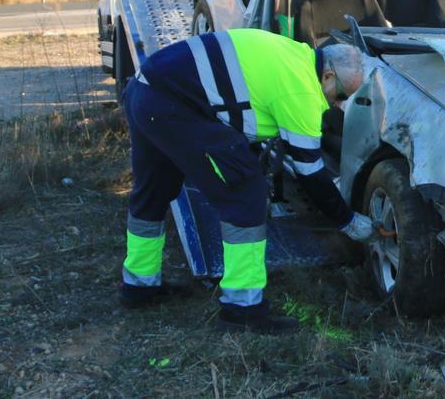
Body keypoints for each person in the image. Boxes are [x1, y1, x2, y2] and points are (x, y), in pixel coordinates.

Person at [116, 28, 377, 333]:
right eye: (342, 95)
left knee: (153, 190)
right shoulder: (302, 90)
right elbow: (311, 174)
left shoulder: (294, 54)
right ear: (328, 76)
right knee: (245, 194)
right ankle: (242, 309)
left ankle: (139, 286)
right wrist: (348, 221)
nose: (339, 104)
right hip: (174, 106)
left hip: (145, 89)